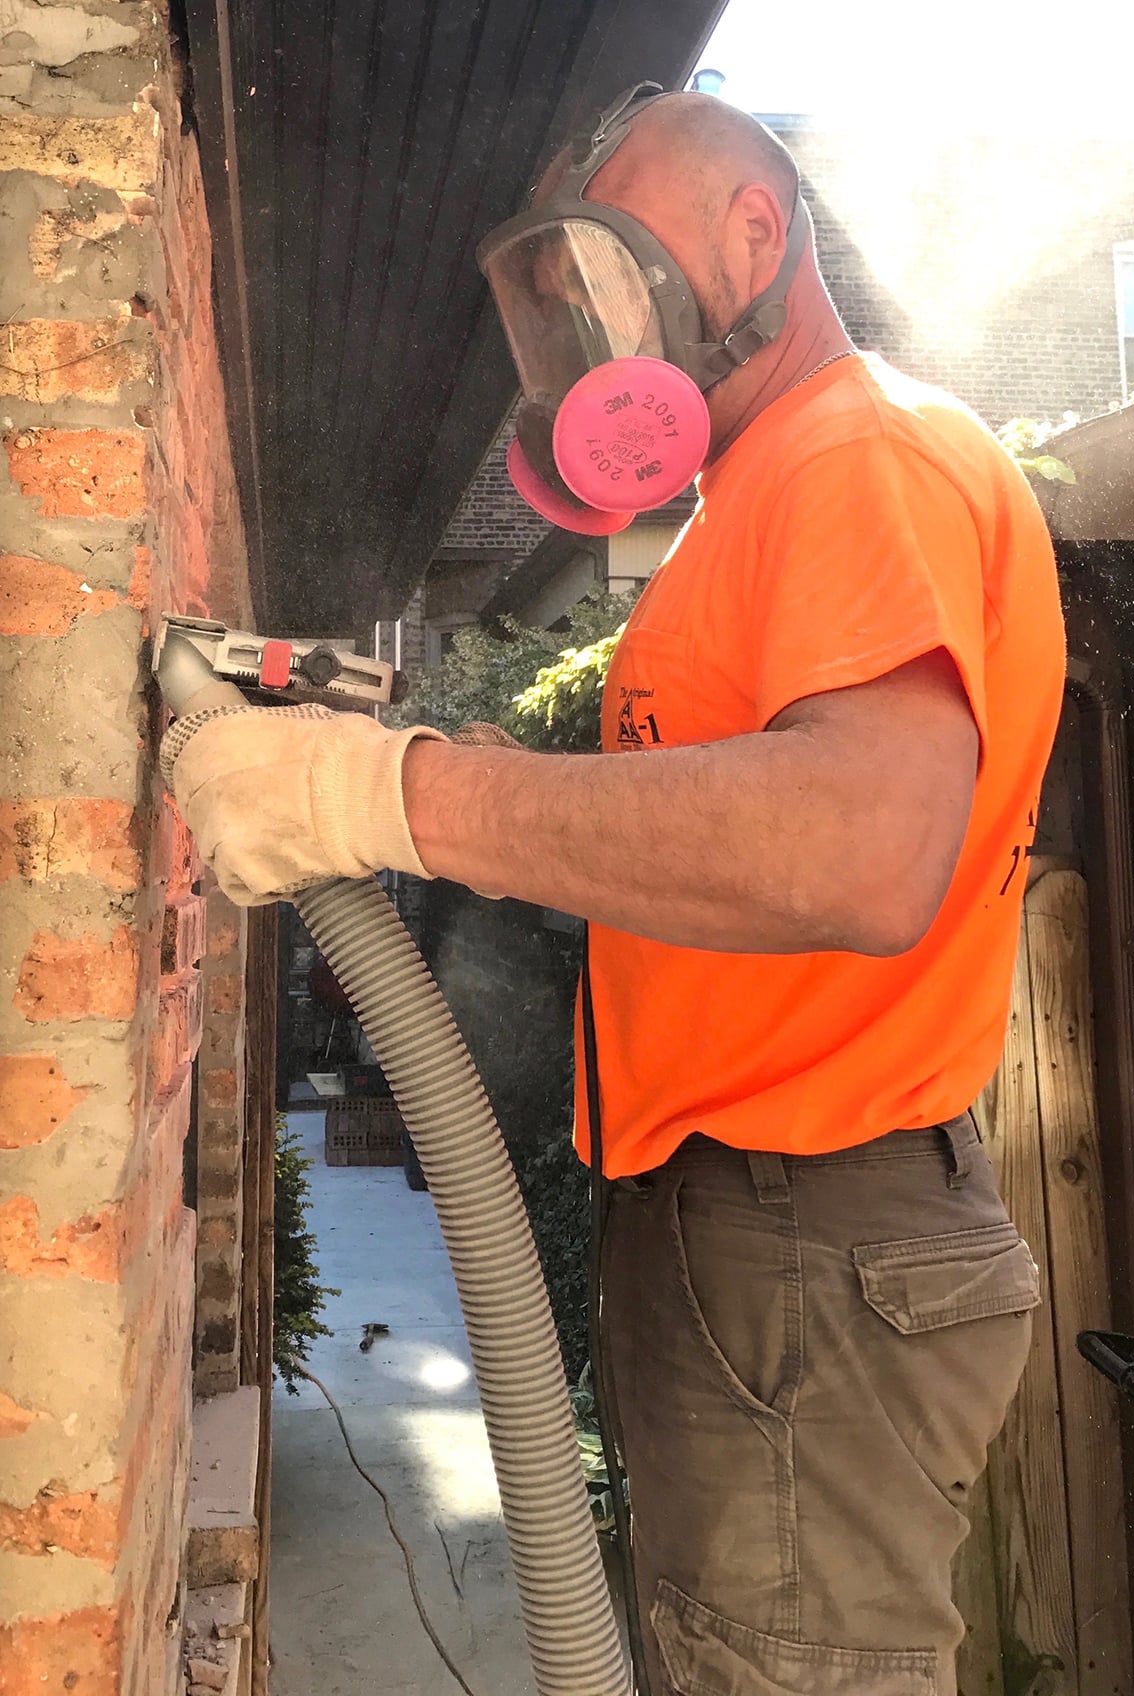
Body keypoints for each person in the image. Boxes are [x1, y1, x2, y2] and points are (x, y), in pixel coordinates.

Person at [168, 88, 1064, 1696]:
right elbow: (690, 822)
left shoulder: (860, 455)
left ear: (755, 233)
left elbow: (863, 844)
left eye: (618, 274)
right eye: (564, 303)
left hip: (810, 1228)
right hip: (767, 1234)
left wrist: (394, 798)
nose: (595, 334)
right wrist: (404, 759)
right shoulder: (757, 501)